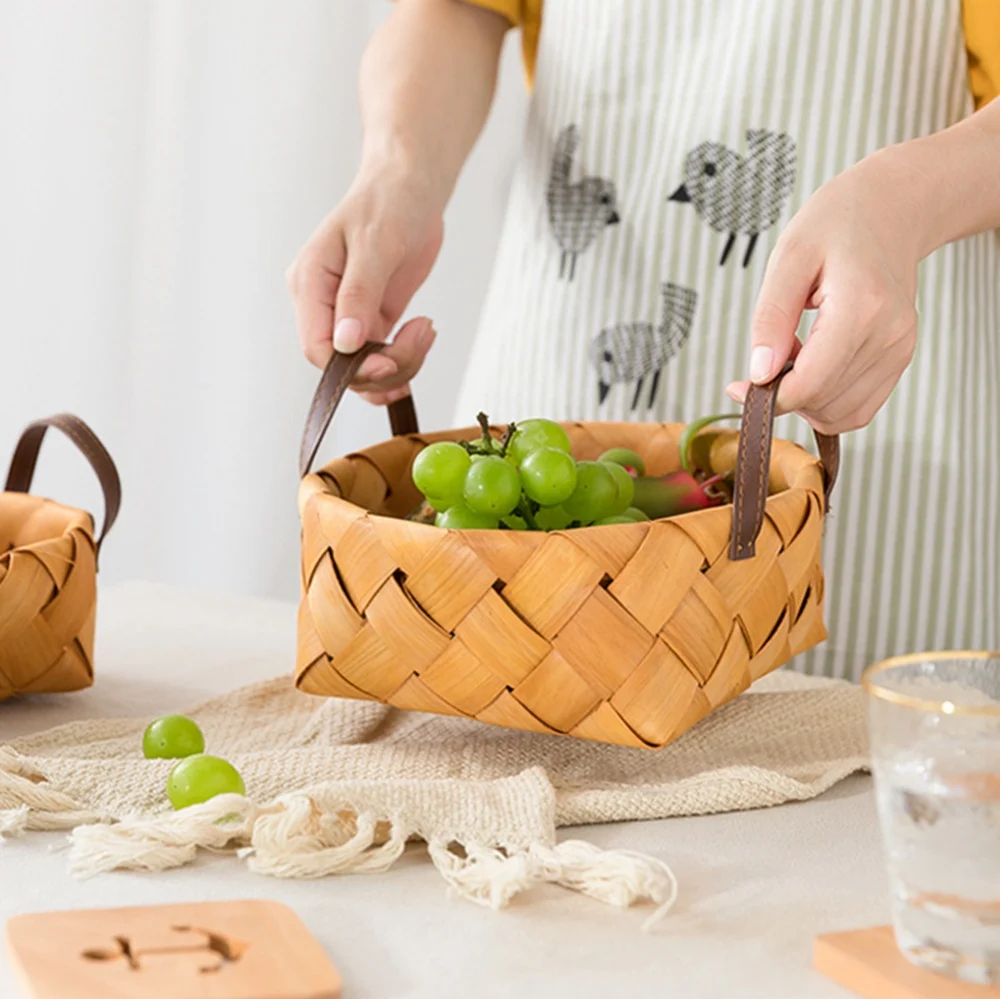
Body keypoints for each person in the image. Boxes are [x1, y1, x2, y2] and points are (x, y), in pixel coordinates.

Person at [286, 0, 1000, 681]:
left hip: (880, 388)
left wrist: (903, 195)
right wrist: (397, 172)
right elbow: (453, 10)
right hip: (558, 356)